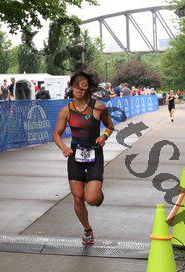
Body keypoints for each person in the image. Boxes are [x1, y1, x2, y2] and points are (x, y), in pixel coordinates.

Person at [53, 71, 114, 245]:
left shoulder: (98, 107)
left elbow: (110, 126)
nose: (80, 89)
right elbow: (56, 134)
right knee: (78, 197)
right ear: (71, 88)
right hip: (75, 156)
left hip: (95, 154)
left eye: (83, 86)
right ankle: (87, 230)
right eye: (76, 86)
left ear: (88, 88)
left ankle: (97, 193)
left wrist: (104, 136)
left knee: (92, 199)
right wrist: (64, 148)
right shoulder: (66, 111)